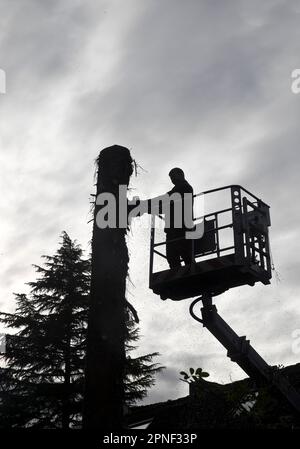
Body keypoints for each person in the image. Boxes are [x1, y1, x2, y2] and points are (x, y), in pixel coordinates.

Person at [164, 168, 195, 268]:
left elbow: (163, 201)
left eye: (173, 176)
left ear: (181, 174)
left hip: (182, 228)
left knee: (186, 256)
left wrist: (141, 206)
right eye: (170, 177)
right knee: (172, 257)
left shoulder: (184, 187)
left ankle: (190, 273)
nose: (172, 179)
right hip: (174, 228)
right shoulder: (178, 189)